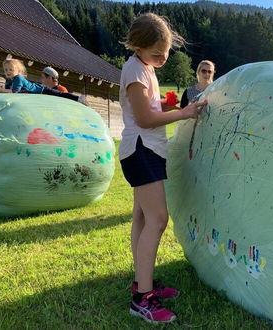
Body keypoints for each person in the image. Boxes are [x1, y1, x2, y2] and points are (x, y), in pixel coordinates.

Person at [119, 13, 207, 323]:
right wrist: (183, 113)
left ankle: (143, 282)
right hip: (141, 149)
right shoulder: (134, 71)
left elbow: (150, 109)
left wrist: (167, 105)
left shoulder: (143, 68)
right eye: (157, 53)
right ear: (137, 46)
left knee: (143, 217)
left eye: (166, 51)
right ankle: (142, 298)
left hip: (146, 149)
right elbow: (144, 119)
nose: (163, 57)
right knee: (158, 218)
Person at [0, 59, 85, 104]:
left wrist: (0, 90)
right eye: (6, 70)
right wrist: (1, 90)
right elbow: (8, 93)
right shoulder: (9, 80)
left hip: (40, 89)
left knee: (59, 94)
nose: (8, 72)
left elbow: (14, 92)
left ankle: (78, 99)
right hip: (32, 93)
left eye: (11, 69)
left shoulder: (18, 78)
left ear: (18, 71)